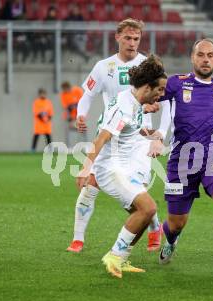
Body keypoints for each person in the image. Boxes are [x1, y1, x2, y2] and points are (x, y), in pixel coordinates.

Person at [66, 19, 169, 253]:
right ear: (117, 37)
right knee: (94, 186)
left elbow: (167, 104)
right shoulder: (104, 67)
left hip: (138, 140)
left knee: (136, 200)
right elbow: (88, 95)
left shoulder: (150, 67)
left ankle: (149, 229)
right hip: (113, 135)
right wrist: (81, 114)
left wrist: (158, 135)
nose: (132, 43)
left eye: (136, 39)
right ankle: (79, 239)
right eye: (128, 38)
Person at [157, 39, 213, 275]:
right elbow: (153, 99)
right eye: (201, 55)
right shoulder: (176, 83)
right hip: (181, 160)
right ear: (192, 58)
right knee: (176, 223)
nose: (206, 59)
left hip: (212, 157)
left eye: (211, 55)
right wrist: (149, 113)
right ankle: (171, 239)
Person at [76, 55, 167, 278]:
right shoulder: (125, 106)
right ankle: (114, 255)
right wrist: (86, 168)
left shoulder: (132, 100)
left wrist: (145, 130)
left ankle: (122, 258)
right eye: (160, 89)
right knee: (149, 208)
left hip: (122, 167)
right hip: (111, 169)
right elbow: (102, 137)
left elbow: (126, 127)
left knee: (143, 216)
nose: (161, 94)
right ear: (147, 87)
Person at [60, 81, 86, 149]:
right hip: (70, 117)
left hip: (79, 115)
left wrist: (74, 106)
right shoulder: (63, 94)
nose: (65, 91)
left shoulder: (77, 90)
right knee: (68, 131)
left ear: (68, 87)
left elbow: (82, 102)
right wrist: (70, 119)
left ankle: (84, 147)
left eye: (65, 89)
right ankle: (69, 147)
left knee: (82, 130)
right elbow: (66, 107)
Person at [31, 88, 54, 152]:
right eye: (41, 94)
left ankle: (50, 149)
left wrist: (48, 119)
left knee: (48, 136)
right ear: (39, 94)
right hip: (39, 123)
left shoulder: (48, 102)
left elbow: (51, 112)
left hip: (47, 123)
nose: (43, 95)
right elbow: (36, 112)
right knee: (36, 135)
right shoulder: (36, 102)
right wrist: (43, 119)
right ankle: (33, 149)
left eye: (44, 94)